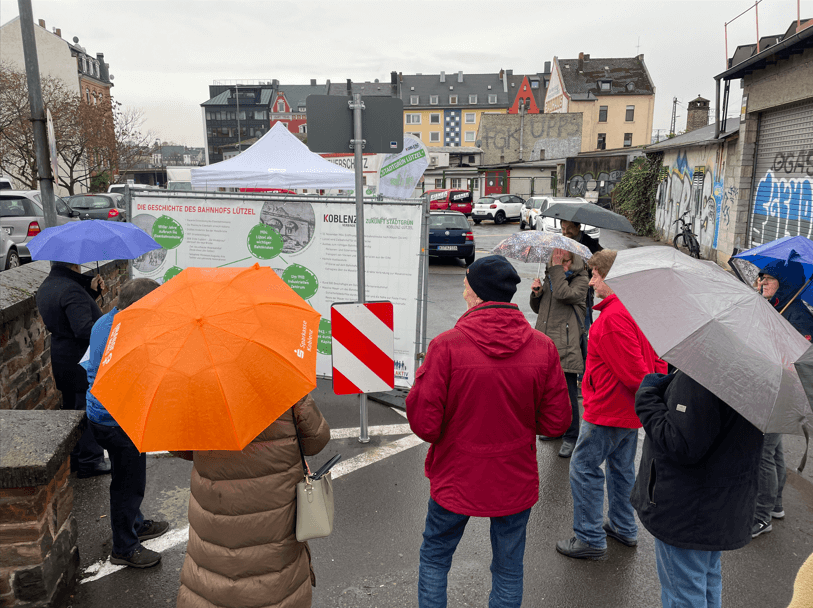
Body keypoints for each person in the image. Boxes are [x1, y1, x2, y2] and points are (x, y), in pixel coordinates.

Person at [406, 255, 572, 608]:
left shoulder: (446, 346)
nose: (462, 290)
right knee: (509, 568)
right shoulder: (543, 347)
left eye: (465, 284)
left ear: (478, 293)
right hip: (514, 478)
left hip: (456, 475)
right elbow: (556, 422)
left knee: (435, 557)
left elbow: (426, 425)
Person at [556, 249, 666, 559]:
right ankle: (623, 526)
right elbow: (658, 362)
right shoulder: (636, 311)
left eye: (595, 275)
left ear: (612, 278)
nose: (591, 282)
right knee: (621, 469)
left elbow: (636, 375)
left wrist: (649, 392)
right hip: (628, 411)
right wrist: (653, 393)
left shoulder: (613, 318)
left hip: (607, 410)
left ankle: (590, 538)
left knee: (584, 469)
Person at [176, 394, 330, 608]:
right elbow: (316, 440)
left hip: (215, 505)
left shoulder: (196, 389)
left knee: (213, 571)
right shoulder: (283, 383)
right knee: (275, 576)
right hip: (275, 507)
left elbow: (181, 448)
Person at [631, 370, 763, 608]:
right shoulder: (752, 373)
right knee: (706, 580)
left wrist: (646, 397)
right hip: (718, 503)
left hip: (689, 509)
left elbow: (680, 444)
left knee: (683, 592)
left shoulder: (704, 373)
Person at [86, 278, 170, 568]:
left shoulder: (106, 321)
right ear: (138, 307)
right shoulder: (129, 335)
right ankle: (124, 547)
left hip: (103, 414)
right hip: (116, 421)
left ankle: (135, 524)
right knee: (127, 486)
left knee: (128, 479)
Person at [752, 256, 813, 538]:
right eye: (761, 277)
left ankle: (761, 516)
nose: (762, 282)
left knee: (763, 452)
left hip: (784, 393)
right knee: (773, 450)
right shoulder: (779, 306)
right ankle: (775, 505)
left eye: (768, 278)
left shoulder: (799, 318)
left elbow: (798, 364)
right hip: (773, 388)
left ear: (784, 283)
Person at [36, 261, 109, 478]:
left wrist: (90, 293)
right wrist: (107, 328)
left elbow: (69, 316)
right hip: (80, 360)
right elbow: (83, 329)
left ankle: (77, 459)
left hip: (62, 357)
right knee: (85, 410)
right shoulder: (71, 290)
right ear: (73, 264)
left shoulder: (48, 285)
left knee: (72, 410)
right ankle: (91, 461)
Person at [530, 247, 589, 458]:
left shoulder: (581, 280)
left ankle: (572, 437)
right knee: (549, 393)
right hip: (546, 343)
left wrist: (555, 270)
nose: (561, 265)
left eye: (565, 261)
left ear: (574, 262)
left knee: (568, 394)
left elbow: (564, 295)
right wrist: (537, 293)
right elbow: (540, 309)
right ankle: (556, 429)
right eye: (557, 260)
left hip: (566, 345)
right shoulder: (552, 277)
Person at [561, 220, 602, 330]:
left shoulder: (590, 244)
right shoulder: (561, 244)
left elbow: (602, 263)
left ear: (578, 227)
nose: (565, 232)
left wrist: (588, 265)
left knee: (582, 330)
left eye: (569, 228)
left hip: (584, 297)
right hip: (564, 295)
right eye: (563, 228)